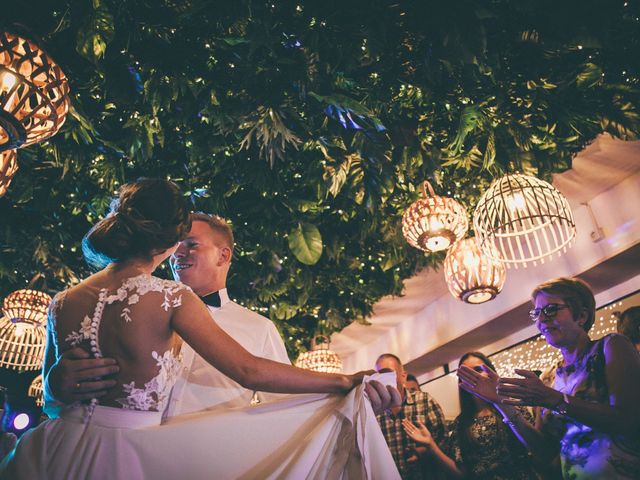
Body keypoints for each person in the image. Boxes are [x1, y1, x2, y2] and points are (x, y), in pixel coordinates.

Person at [0, 178, 400, 479]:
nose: (184, 252)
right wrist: (54, 383)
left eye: (197, 244)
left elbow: (274, 396)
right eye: (184, 241)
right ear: (170, 241)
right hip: (134, 459)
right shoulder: (172, 300)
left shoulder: (64, 300)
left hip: (60, 451)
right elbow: (248, 369)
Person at [46, 212, 400, 415]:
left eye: (191, 245)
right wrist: (52, 388)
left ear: (224, 255)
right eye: (175, 246)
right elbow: (60, 399)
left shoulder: (259, 329)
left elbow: (291, 406)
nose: (177, 254)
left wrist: (355, 397)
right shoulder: (127, 309)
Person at [459, 277, 640, 479]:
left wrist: (554, 399)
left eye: (551, 309)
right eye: (537, 313)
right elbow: (545, 452)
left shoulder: (610, 347)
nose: (541, 319)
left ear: (581, 315)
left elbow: (629, 420)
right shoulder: (548, 378)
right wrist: (502, 404)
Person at [402, 352, 538, 479]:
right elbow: (462, 473)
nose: (473, 375)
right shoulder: (461, 423)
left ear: (491, 372)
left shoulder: (512, 407)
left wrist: (501, 402)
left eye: (478, 370)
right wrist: (430, 445)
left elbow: (538, 447)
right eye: (466, 373)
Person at [375, 353, 447, 480]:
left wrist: (424, 452)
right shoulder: (374, 413)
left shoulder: (425, 401)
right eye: (379, 376)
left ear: (403, 376)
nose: (384, 380)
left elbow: (446, 443)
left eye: (389, 374)